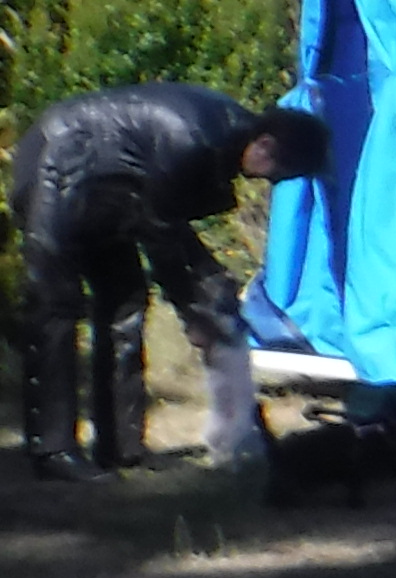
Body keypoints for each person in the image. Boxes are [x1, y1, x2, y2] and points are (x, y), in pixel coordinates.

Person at [15, 82, 331, 480]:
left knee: (125, 302)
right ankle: (53, 449)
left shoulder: (223, 139)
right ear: (265, 145)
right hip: (58, 160)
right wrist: (195, 313)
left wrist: (211, 291)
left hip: (112, 182)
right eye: (275, 174)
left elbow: (171, 227)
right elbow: (161, 233)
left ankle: (122, 449)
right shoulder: (193, 142)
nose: (266, 183)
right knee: (54, 305)